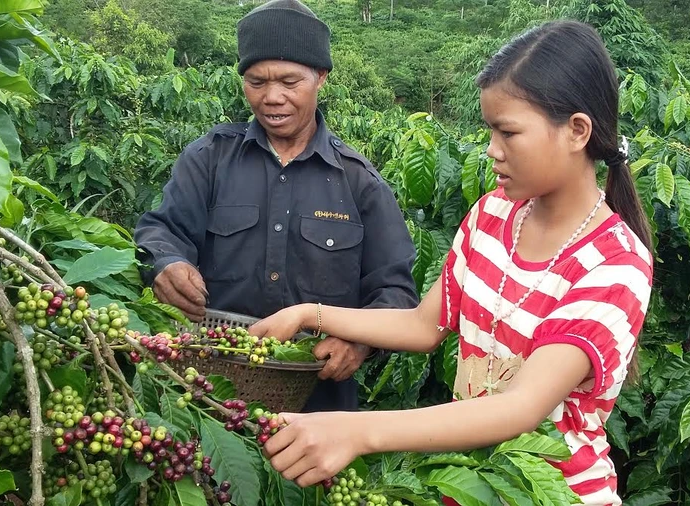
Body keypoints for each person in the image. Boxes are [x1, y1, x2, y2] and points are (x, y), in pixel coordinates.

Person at [249, 20, 655, 505]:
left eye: (508, 132)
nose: (492, 150)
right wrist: (309, 315)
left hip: (558, 494)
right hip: (469, 482)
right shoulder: (491, 216)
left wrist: (358, 431)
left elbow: (522, 407)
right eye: (489, 130)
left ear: (577, 131)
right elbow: (424, 325)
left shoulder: (616, 263)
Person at [133, 0, 419, 413]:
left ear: (321, 77)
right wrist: (165, 263)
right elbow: (162, 231)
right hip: (207, 393)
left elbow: (395, 292)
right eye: (256, 81)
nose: (272, 98)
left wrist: (360, 341)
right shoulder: (209, 159)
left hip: (316, 403)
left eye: (290, 81)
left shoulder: (359, 182)